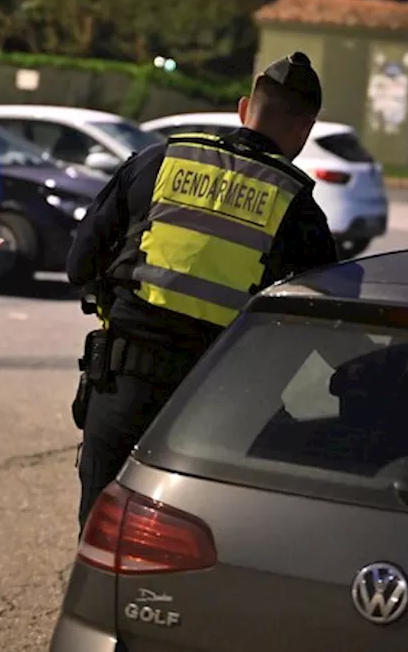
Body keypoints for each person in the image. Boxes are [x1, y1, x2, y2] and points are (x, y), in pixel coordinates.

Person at [67, 51, 339, 526]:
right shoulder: (300, 210)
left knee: (100, 534)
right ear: (305, 130)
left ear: (243, 108)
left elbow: (79, 265)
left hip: (122, 387)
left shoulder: (158, 161)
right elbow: (321, 331)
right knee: (186, 545)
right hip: (218, 409)